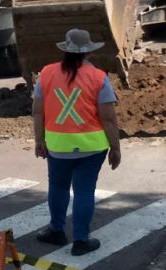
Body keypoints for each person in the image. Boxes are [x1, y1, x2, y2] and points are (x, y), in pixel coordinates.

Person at [33, 29, 122, 256]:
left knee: (58, 187)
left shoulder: (46, 74)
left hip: (58, 147)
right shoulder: (98, 77)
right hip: (92, 147)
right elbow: (108, 117)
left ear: (65, 50)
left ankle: (57, 231)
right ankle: (81, 240)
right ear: (88, 53)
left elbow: (37, 113)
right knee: (84, 191)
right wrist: (115, 147)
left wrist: (39, 140)